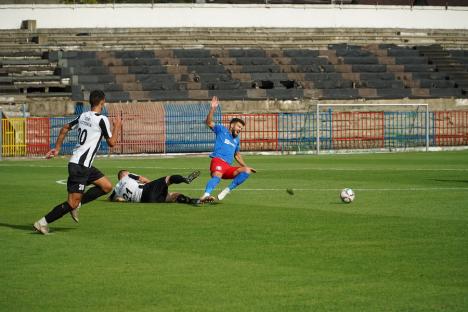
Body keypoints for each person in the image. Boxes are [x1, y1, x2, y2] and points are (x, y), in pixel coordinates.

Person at [33, 90, 121, 235]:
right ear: (102, 101)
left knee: (106, 186)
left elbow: (64, 128)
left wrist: (57, 148)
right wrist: (117, 126)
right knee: (71, 203)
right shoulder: (102, 119)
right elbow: (111, 143)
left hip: (83, 165)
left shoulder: (83, 116)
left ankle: (77, 205)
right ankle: (42, 222)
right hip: (80, 167)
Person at [200, 96, 256, 202]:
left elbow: (237, 155)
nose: (240, 130)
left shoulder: (236, 140)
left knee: (246, 171)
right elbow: (209, 122)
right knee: (217, 176)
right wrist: (212, 108)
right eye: (239, 127)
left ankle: (227, 190)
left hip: (227, 167)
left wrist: (245, 166)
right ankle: (205, 195)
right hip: (218, 161)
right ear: (232, 125)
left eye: (241, 128)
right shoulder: (222, 130)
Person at [109, 169, 207, 205]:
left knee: (173, 196)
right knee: (169, 179)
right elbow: (143, 179)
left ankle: (192, 201)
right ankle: (185, 179)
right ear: (124, 174)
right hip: (147, 191)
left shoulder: (116, 190)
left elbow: (117, 199)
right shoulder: (128, 176)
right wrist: (154, 184)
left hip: (147, 201)